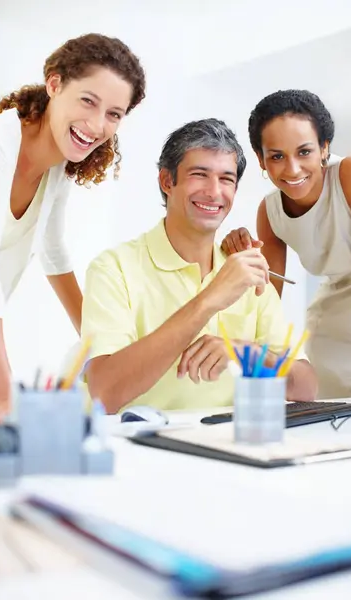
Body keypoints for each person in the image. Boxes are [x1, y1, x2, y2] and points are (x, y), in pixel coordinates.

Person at [81, 118, 317, 413]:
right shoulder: (113, 269)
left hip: (228, 445)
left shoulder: (247, 270)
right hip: (141, 449)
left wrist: (244, 352)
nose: (214, 191)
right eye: (199, 174)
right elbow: (105, 393)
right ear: (167, 181)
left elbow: (305, 388)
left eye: (226, 179)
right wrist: (210, 298)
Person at [0, 33, 146, 424]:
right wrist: (0, 390)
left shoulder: (55, 166)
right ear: (55, 84)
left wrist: (99, 344)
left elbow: (53, 249)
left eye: (114, 113)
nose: (97, 124)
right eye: (88, 101)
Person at [221, 89, 351, 403]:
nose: (293, 169)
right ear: (261, 159)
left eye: (304, 152)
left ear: (324, 148)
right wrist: (241, 256)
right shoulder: (270, 213)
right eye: (276, 156)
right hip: (334, 326)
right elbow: (266, 302)